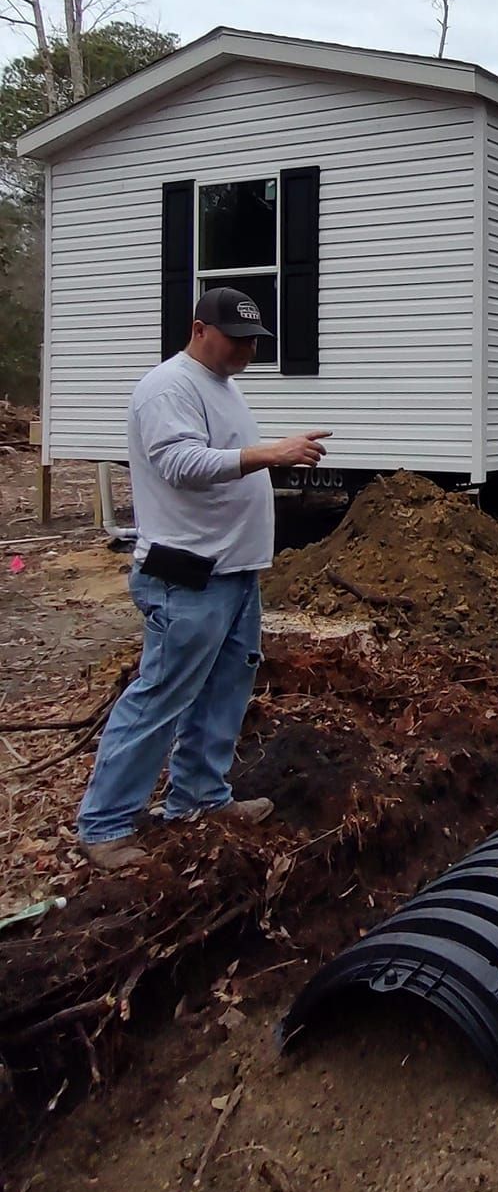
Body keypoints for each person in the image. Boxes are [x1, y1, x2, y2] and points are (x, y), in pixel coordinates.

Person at [75, 288, 331, 871]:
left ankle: (199, 799)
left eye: (253, 341)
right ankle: (106, 825)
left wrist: (266, 457)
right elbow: (182, 464)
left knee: (222, 692)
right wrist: (271, 455)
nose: (246, 349)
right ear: (199, 329)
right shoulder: (168, 388)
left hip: (233, 571)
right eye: (236, 338)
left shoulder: (224, 385)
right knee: (160, 696)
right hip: (187, 573)